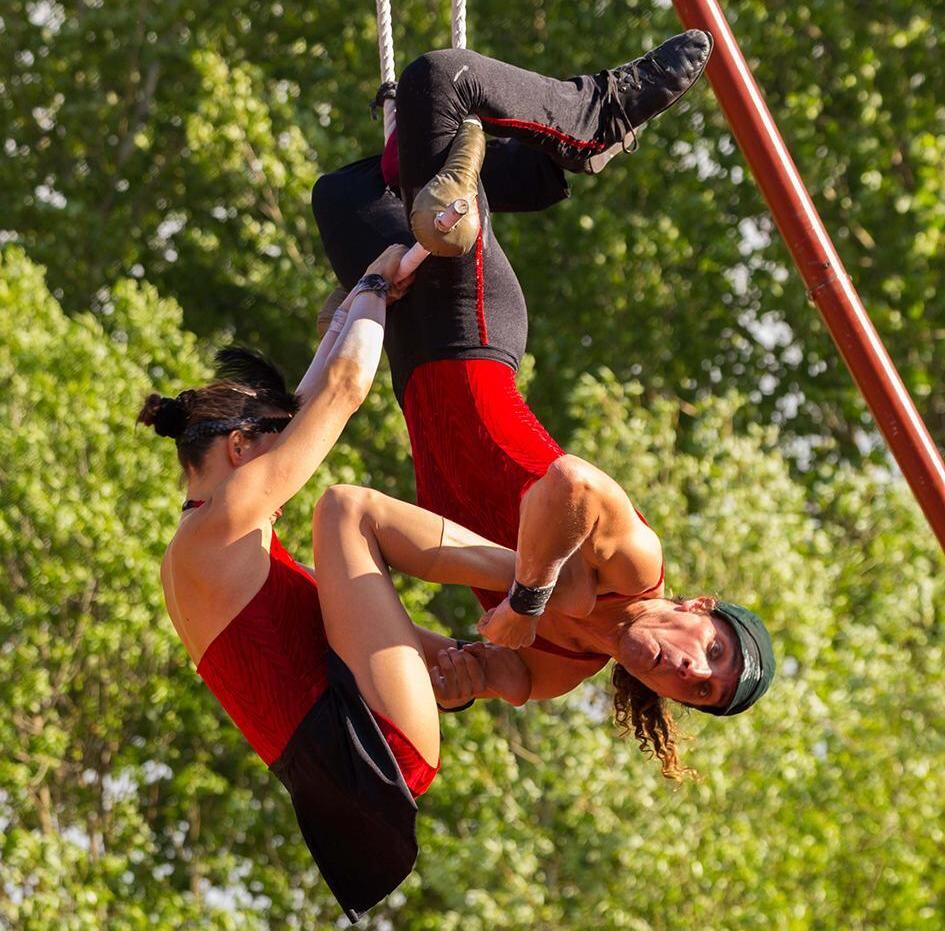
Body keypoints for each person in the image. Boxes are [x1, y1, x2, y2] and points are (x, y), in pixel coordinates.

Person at [311, 35, 775, 779]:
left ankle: (518, 175)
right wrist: (525, 601)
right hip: (473, 332)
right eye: (710, 648)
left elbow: (489, 673)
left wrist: (456, 677)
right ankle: (595, 116)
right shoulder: (634, 563)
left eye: (696, 687)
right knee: (441, 79)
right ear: (698, 605)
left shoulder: (559, 669)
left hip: (407, 347)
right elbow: (573, 486)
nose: (688, 664)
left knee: (342, 194)